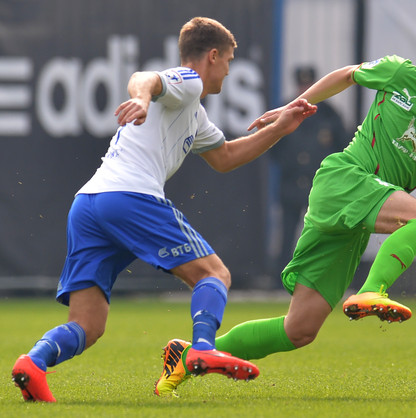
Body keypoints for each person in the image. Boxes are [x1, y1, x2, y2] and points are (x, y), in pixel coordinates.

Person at [154, 28, 416, 394]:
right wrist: (293, 107)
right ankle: (372, 291)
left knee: (299, 330)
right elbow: (346, 75)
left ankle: (189, 357)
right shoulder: (400, 74)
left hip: (360, 210)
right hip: (345, 179)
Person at [11, 16, 316, 402]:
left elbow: (225, 157)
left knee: (88, 325)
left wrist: (279, 128)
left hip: (89, 204)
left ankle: (33, 364)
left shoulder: (194, 113)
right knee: (215, 274)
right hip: (129, 196)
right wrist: (141, 99)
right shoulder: (189, 82)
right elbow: (145, 78)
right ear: (213, 55)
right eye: (228, 61)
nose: (228, 70)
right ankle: (201, 348)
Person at [269, 66, 348, 276]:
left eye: (309, 85)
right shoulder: (284, 111)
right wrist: (289, 164)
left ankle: (322, 275)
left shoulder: (329, 114)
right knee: (287, 233)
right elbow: (271, 147)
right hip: (291, 183)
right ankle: (280, 278)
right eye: (302, 85)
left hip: (320, 184)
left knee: (322, 233)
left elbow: (345, 146)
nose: (305, 89)